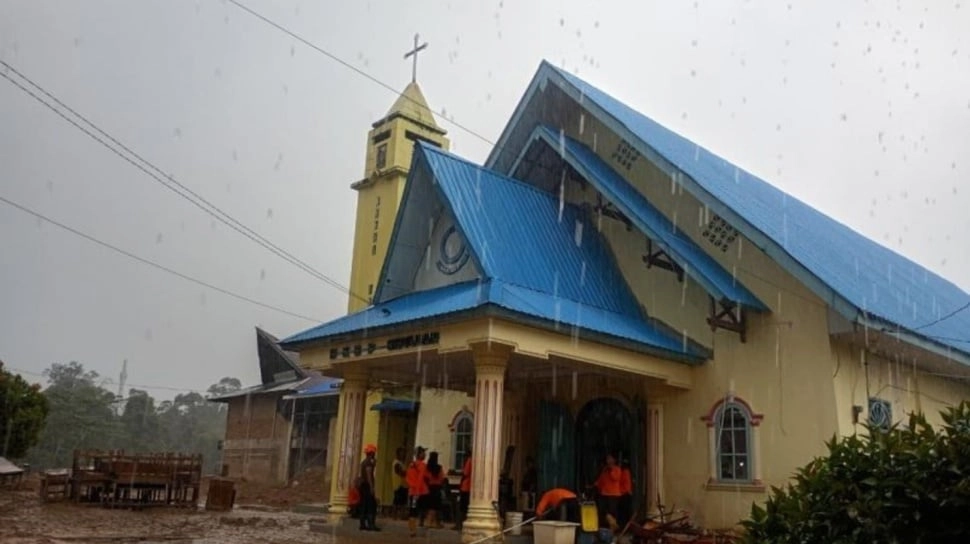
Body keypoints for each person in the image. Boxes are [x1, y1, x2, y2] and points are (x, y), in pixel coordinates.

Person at [594, 454, 622, 531]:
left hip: (613, 494)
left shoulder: (617, 469)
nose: (608, 461)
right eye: (607, 459)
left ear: (614, 460)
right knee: (602, 511)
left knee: (612, 512)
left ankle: (612, 528)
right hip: (604, 493)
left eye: (610, 459)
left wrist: (611, 469)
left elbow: (615, 478)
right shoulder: (605, 469)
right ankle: (609, 526)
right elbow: (601, 480)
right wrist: (595, 484)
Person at [406, 446, 429, 537]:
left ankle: (412, 529)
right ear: (419, 454)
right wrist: (418, 491)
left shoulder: (411, 465)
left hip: (412, 491)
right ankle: (418, 526)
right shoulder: (422, 465)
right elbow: (420, 479)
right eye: (423, 453)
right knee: (420, 510)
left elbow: (408, 478)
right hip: (420, 492)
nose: (425, 455)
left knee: (412, 511)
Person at [357, 443, 380, 531]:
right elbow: (369, 475)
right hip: (367, 486)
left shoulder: (364, 462)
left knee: (364, 505)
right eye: (374, 453)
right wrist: (372, 487)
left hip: (363, 486)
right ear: (371, 453)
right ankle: (371, 525)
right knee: (371, 505)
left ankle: (362, 524)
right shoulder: (368, 463)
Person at [424, 451, 446, 529]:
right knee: (435, 506)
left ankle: (429, 521)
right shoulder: (439, 467)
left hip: (429, 487)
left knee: (430, 505)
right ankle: (432, 522)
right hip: (437, 487)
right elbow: (442, 478)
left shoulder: (427, 467)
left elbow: (425, 477)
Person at [453, 449, 472, 531]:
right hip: (471, 487)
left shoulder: (469, 460)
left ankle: (459, 525)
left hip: (466, 487)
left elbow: (465, 473)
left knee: (462, 508)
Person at [393, 447, 409, 518]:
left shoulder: (402, 463)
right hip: (398, 484)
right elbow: (400, 472)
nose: (404, 455)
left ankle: (402, 514)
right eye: (402, 453)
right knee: (397, 500)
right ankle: (395, 514)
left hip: (404, 484)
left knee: (403, 501)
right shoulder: (396, 463)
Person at [618, 460, 633, 528]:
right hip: (624, 493)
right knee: (625, 512)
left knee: (624, 512)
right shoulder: (626, 472)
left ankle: (625, 526)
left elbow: (625, 484)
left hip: (624, 494)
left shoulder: (625, 472)